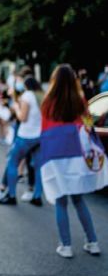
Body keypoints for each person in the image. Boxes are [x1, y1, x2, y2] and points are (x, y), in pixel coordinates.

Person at [39, 64, 105, 258]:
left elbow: (43, 128)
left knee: (60, 200)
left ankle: (66, 246)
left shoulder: (48, 101)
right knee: (78, 199)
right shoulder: (80, 101)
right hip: (76, 153)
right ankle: (93, 242)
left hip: (55, 154)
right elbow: (88, 125)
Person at [0, 76, 44, 206]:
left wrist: (16, 106)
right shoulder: (42, 96)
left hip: (26, 135)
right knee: (38, 167)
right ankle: (37, 196)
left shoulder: (27, 96)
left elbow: (22, 117)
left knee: (12, 162)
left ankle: (11, 195)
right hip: (39, 136)